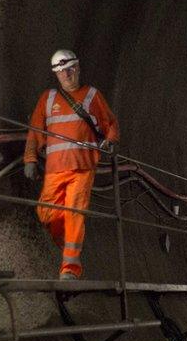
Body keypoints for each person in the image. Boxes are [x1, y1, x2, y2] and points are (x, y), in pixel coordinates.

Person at [23, 49, 119, 280]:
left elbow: (110, 123)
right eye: (62, 71)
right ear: (56, 74)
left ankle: (70, 269)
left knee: (74, 211)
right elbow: (35, 131)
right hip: (55, 168)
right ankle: (69, 245)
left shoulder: (91, 95)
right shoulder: (48, 99)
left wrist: (110, 140)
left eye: (71, 69)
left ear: (78, 67)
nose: (68, 74)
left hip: (82, 167)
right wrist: (30, 159)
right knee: (46, 214)